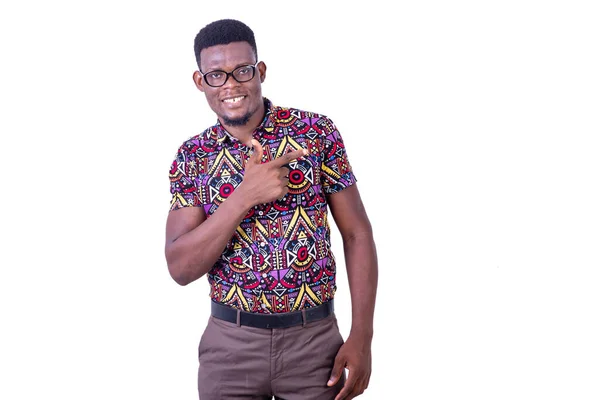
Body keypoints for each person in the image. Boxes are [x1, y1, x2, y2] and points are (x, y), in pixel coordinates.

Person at [165, 18, 378, 400]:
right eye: (216, 75)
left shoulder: (315, 132)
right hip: (230, 348)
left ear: (260, 71)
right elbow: (180, 268)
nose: (230, 84)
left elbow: (357, 233)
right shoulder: (193, 156)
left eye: (242, 71)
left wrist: (362, 336)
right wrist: (244, 196)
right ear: (200, 82)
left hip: (314, 344)